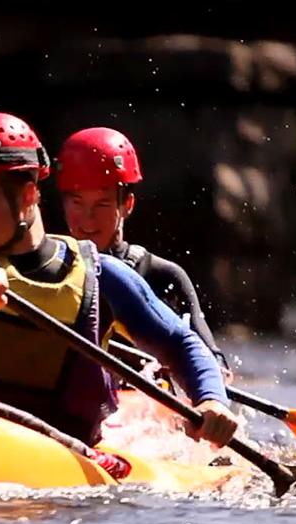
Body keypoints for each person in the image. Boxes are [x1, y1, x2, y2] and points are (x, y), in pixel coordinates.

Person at [0, 108, 238, 454]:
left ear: (27, 196)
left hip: (72, 456)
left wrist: (211, 400)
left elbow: (180, 343)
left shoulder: (102, 276)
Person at [55, 127, 231, 377]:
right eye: (77, 203)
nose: (88, 219)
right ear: (63, 204)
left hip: (139, 398)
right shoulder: (50, 269)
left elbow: (207, 356)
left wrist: (216, 373)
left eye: (102, 204)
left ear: (127, 205)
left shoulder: (164, 276)